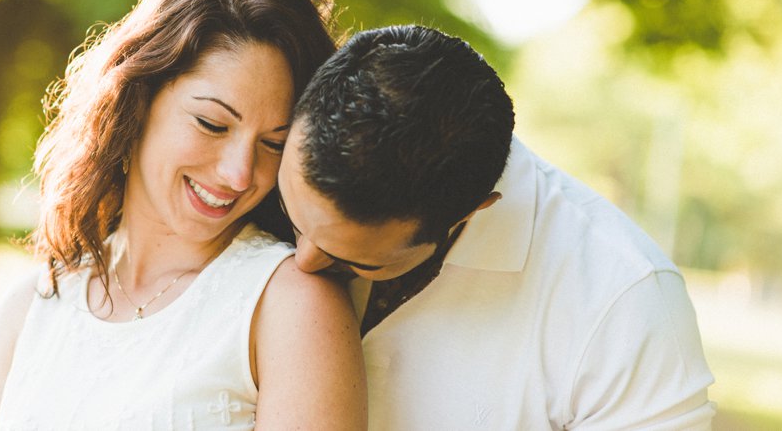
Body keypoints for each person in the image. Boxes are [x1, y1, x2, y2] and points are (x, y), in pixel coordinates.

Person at [0, 0, 367, 430]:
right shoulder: (31, 306)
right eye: (212, 124)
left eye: (273, 144)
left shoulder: (291, 307)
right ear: (137, 99)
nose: (240, 174)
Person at [276, 24, 716, 430]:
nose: (304, 261)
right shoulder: (244, 176)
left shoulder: (623, 302)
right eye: (289, 213)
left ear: (469, 213)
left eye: (357, 260)